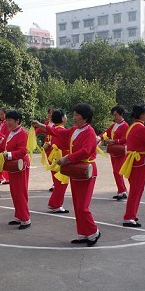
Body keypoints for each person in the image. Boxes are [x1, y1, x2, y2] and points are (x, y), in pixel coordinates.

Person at [33, 103, 101, 246]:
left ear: (85, 117)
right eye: (74, 114)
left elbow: (86, 151)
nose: (74, 117)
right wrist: (42, 126)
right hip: (76, 170)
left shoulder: (89, 131)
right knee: (77, 204)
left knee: (82, 206)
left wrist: (67, 158)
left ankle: (93, 232)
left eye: (77, 115)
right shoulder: (75, 130)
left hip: (86, 170)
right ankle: (84, 233)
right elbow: (58, 132)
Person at [0, 110, 31, 229]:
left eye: (10, 120)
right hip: (12, 165)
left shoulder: (23, 133)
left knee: (20, 192)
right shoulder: (9, 132)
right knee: (14, 192)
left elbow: (23, 150)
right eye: (7, 120)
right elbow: (2, 146)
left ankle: (25, 219)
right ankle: (19, 215)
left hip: (20, 165)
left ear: (17, 121)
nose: (7, 122)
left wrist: (9, 155)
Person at [45, 109, 70, 214]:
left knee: (58, 182)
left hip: (54, 157)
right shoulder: (61, 130)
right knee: (62, 182)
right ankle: (56, 205)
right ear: (63, 118)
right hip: (61, 157)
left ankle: (53, 203)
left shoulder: (53, 129)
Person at [103, 106, 129, 200]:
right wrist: (98, 138)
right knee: (116, 172)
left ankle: (122, 191)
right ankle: (121, 191)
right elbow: (106, 133)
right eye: (113, 115)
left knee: (117, 172)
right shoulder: (114, 125)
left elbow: (125, 139)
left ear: (121, 114)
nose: (114, 117)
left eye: (116, 115)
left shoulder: (125, 125)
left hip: (120, 151)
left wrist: (114, 141)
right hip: (114, 151)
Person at [43, 107, 56, 192]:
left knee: (55, 166)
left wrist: (50, 143)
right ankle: (54, 182)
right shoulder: (46, 123)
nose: (50, 115)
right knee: (51, 166)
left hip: (54, 148)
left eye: (52, 113)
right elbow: (39, 130)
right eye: (49, 113)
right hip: (47, 148)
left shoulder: (57, 124)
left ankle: (56, 183)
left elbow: (58, 136)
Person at [0, 107, 10, 185]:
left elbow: (7, 134)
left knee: (5, 161)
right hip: (0, 143)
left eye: (2, 114)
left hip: (6, 142)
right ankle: (1, 177)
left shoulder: (7, 123)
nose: (0, 116)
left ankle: (7, 178)